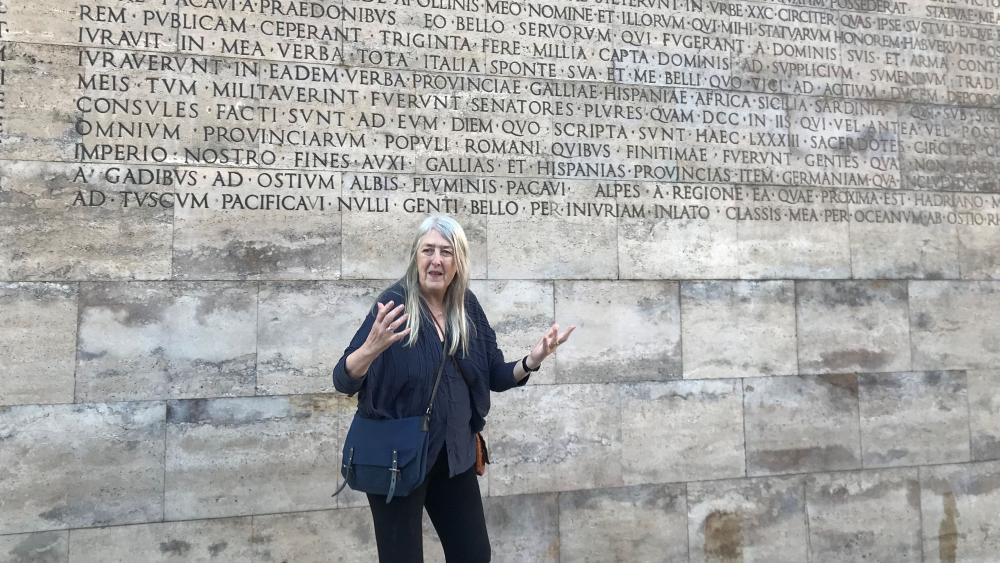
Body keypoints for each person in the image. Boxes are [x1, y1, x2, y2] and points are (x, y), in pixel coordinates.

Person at [332, 215, 574, 563]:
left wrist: (533, 359)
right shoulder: (394, 305)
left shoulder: (467, 307)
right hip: (397, 459)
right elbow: (343, 380)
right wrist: (370, 349)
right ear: (416, 257)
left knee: (473, 554)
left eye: (446, 252)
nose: (436, 260)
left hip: (453, 453)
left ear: (458, 261)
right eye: (428, 250)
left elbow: (495, 375)